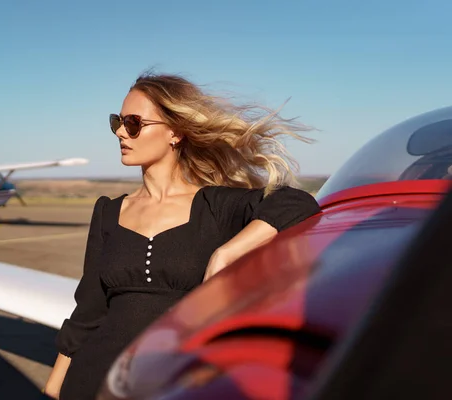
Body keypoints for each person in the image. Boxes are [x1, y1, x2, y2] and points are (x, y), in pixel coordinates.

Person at [44, 72, 321, 399]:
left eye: (133, 123)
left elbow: (296, 202)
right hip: (92, 380)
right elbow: (88, 313)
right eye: (117, 121)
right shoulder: (108, 211)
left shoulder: (214, 205)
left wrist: (227, 253)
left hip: (176, 384)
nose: (120, 131)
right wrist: (52, 387)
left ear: (174, 133)